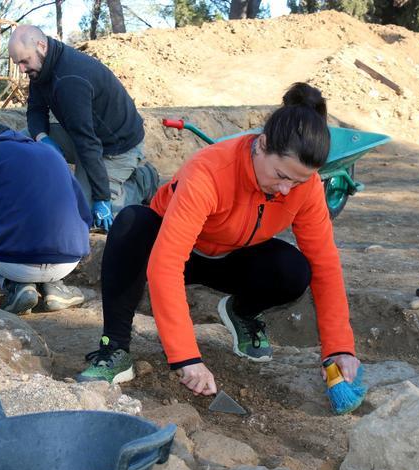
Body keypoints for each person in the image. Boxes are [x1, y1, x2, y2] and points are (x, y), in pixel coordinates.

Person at [76, 83, 362, 395]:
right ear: (262, 144)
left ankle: (242, 311)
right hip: (172, 248)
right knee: (131, 224)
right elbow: (167, 264)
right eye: (281, 176)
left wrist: (339, 348)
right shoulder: (210, 171)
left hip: (231, 257)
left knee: (294, 269)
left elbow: (325, 263)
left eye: (298, 181)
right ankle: (114, 348)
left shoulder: (302, 187)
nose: (286, 190)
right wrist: (186, 357)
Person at [8, 25, 159, 232]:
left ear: (41, 46)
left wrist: (102, 197)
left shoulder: (70, 80)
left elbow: (88, 143)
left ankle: (143, 181)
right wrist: (43, 139)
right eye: (18, 64)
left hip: (116, 148)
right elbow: (35, 110)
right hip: (83, 135)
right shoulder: (41, 68)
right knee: (22, 141)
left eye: (24, 61)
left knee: (85, 214)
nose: (22, 69)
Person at [0, 124, 91, 315]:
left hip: (15, 264)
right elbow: (84, 213)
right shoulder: (51, 153)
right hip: (68, 260)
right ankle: (55, 288)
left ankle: (16, 287)